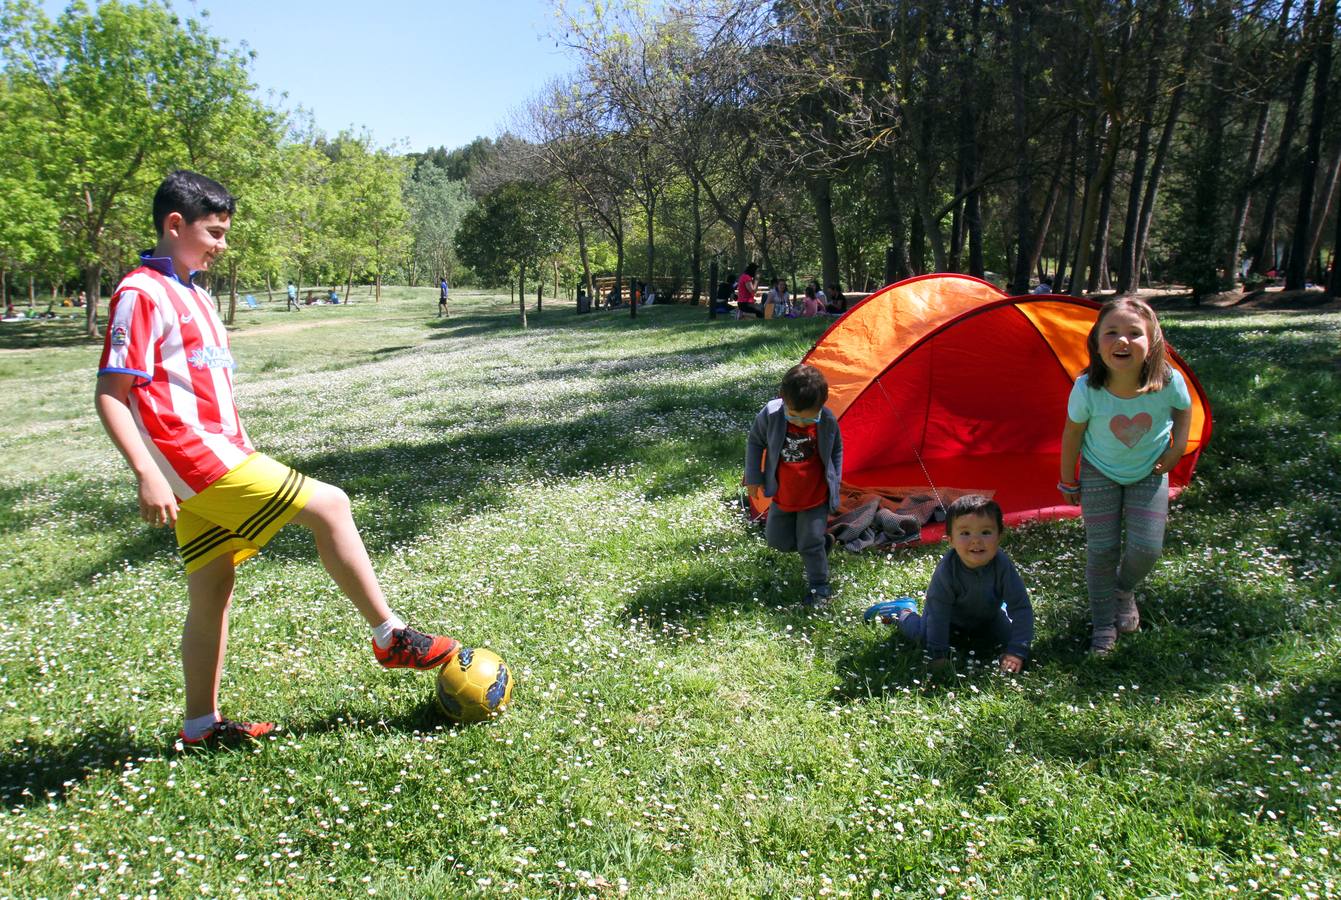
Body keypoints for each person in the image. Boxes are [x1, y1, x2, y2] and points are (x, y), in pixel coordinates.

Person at [95, 171, 462, 748]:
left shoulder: (194, 291)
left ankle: (201, 727)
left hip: (216, 455)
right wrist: (146, 472)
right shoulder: (141, 293)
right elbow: (111, 394)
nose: (222, 245)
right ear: (174, 225)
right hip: (194, 457)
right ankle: (389, 635)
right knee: (332, 506)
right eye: (213, 233)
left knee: (212, 588)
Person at [1058, 297, 1192, 655]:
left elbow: (1183, 410)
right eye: (1112, 332)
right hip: (1099, 471)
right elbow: (1072, 434)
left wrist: (1177, 448)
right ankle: (1103, 625)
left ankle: (1122, 588)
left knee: (1147, 548)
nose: (1123, 341)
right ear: (1096, 341)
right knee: (1101, 550)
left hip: (1150, 471)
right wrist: (1067, 480)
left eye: (1135, 333)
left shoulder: (1168, 381)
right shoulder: (1088, 388)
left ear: (1152, 343)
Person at [863, 496, 1033, 674]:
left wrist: (1017, 652)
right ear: (950, 540)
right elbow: (938, 616)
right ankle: (903, 612)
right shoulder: (947, 571)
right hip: (948, 620)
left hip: (988, 618)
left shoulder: (1002, 565)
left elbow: (1021, 608)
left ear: (999, 536)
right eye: (965, 533)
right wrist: (938, 655)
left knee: (1004, 638)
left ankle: (1001, 609)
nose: (976, 540)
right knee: (923, 636)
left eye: (986, 532)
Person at [744, 364, 843, 607]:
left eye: (808, 416)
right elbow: (755, 442)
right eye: (794, 415)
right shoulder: (771, 415)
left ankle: (820, 587)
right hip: (783, 496)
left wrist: (835, 481)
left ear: (821, 406)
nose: (800, 422)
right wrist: (754, 477)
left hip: (815, 498)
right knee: (777, 541)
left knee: (809, 542)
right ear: (783, 398)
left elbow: (837, 450)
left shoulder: (827, 420)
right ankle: (824, 543)